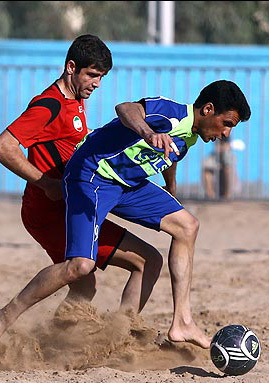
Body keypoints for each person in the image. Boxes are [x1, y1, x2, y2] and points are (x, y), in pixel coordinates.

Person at [0, 80, 251, 348]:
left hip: (125, 184)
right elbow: (126, 109)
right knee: (81, 267)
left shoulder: (189, 135)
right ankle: (5, 317)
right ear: (208, 109)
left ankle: (158, 326)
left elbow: (171, 154)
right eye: (227, 124)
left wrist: (171, 187)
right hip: (91, 176)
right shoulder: (170, 113)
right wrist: (147, 132)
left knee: (185, 228)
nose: (225, 134)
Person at [0, 35, 163, 335]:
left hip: (71, 206)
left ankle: (59, 342)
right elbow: (4, 146)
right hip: (48, 210)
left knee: (90, 284)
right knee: (86, 269)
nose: (97, 83)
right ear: (71, 68)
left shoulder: (75, 100)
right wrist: (45, 182)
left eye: (101, 77)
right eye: (92, 75)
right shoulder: (48, 105)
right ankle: (4, 319)